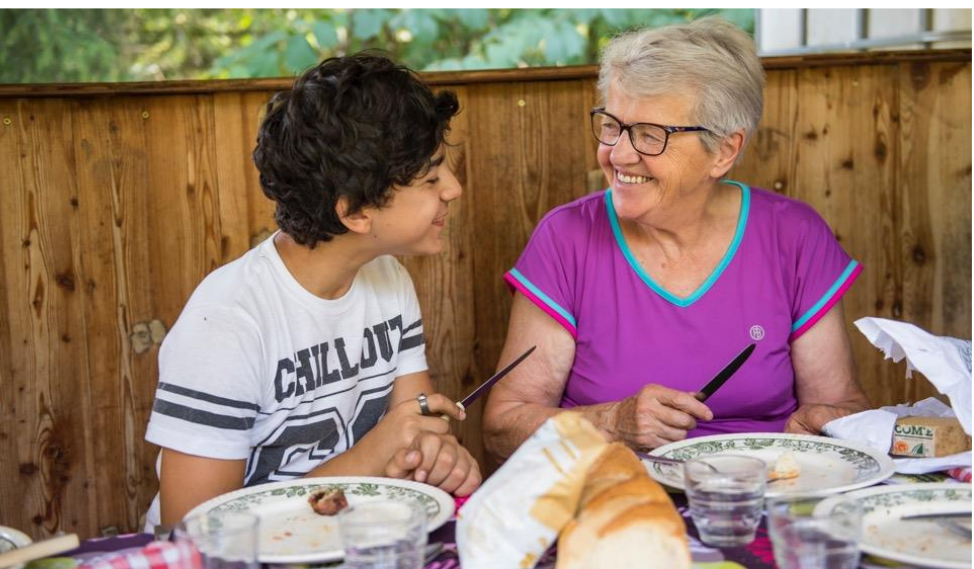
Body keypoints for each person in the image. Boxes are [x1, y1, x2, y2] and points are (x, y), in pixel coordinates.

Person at [482, 18, 871, 461]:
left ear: (723, 151)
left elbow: (841, 407)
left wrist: (825, 429)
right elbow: (503, 427)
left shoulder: (794, 236)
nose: (619, 154)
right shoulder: (566, 238)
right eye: (612, 125)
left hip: (762, 485)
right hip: (612, 488)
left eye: (651, 135)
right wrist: (611, 423)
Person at [143, 53, 481, 529]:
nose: (454, 189)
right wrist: (375, 452)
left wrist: (435, 453)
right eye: (430, 178)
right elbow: (193, 529)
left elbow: (414, 430)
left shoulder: (388, 278)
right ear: (356, 213)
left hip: (352, 540)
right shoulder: (225, 323)